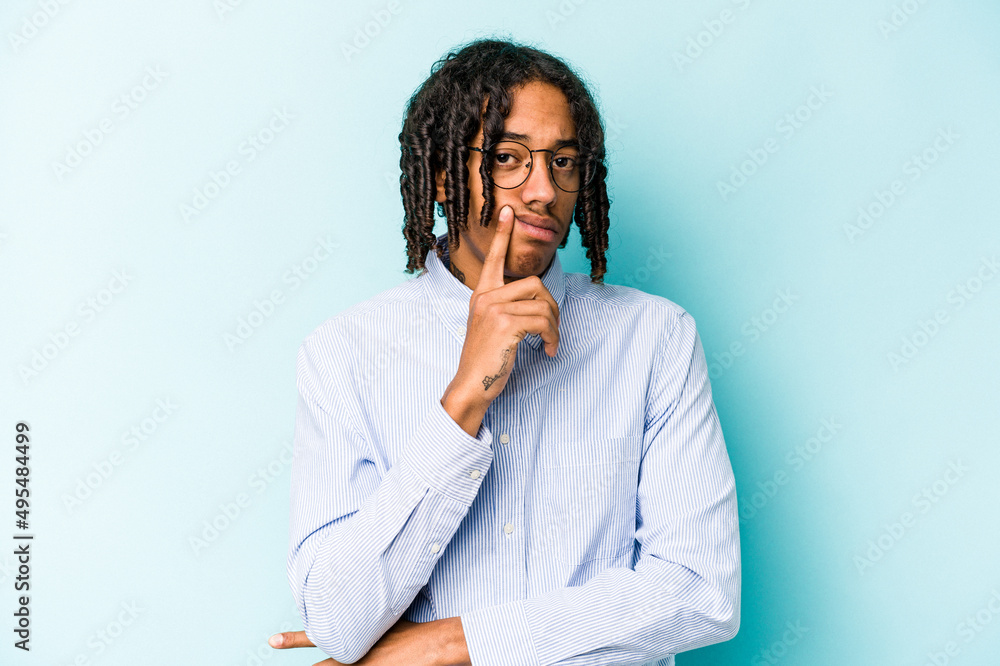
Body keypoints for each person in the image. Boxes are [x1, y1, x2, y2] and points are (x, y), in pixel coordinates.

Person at [269, 37, 740, 666]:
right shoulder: (346, 352)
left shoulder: (654, 338)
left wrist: (446, 645)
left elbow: (700, 592)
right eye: (508, 158)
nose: (544, 189)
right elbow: (337, 619)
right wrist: (464, 399)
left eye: (563, 162)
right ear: (443, 175)